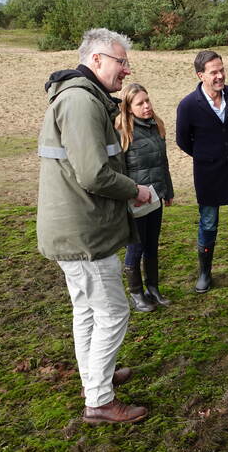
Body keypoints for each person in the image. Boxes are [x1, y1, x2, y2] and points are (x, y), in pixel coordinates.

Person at [37, 28, 152, 424]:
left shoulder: (82, 98)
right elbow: (94, 174)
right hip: (85, 233)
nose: (127, 69)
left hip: (77, 227)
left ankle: (94, 379)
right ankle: (100, 401)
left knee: (87, 311)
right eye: (121, 62)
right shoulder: (81, 102)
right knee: (113, 313)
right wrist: (135, 190)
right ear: (97, 59)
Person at [175, 50, 228, 294]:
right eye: (214, 72)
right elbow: (183, 140)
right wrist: (206, 155)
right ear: (200, 75)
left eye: (222, 70)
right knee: (208, 223)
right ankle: (205, 274)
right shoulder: (188, 105)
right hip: (208, 174)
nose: (220, 76)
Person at [115, 83, 174, 312]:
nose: (147, 106)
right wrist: (131, 193)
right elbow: (119, 169)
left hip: (155, 197)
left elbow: (163, 162)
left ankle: (153, 288)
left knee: (152, 245)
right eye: (140, 103)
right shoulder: (122, 132)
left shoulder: (156, 125)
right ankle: (136, 294)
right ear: (128, 108)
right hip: (135, 201)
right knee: (136, 248)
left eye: (148, 100)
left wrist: (167, 191)